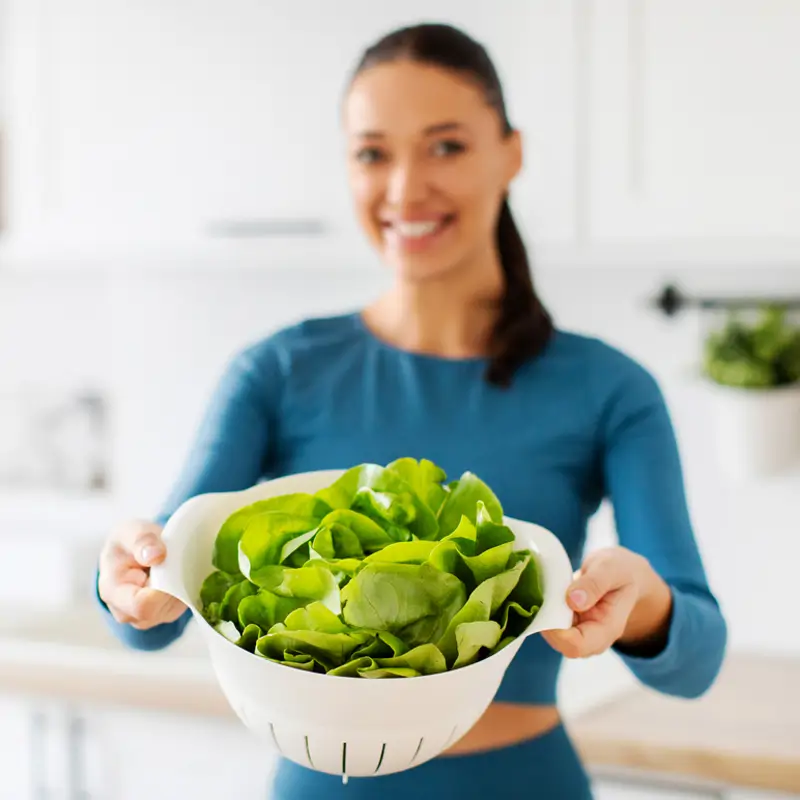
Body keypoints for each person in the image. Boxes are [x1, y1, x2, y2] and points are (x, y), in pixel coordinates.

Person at [96, 22, 727, 800]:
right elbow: (148, 609)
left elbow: (697, 660)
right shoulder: (277, 371)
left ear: (512, 153)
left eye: (446, 146)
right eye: (372, 153)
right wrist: (125, 575)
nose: (403, 189)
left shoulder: (608, 388)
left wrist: (643, 603)